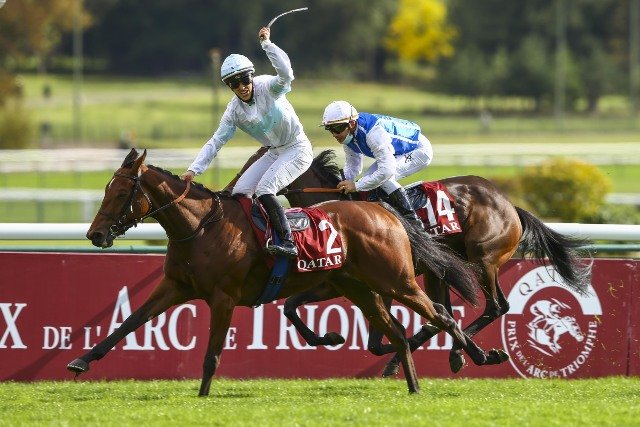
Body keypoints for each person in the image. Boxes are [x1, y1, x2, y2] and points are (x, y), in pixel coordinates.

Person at [181, 27, 313, 258]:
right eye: (234, 83)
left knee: (265, 189)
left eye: (244, 79)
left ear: (251, 76)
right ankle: (257, 237)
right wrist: (194, 170)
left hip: (297, 148)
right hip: (274, 151)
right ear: (229, 87)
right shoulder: (233, 111)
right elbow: (216, 142)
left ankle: (288, 242)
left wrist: (267, 45)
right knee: (241, 192)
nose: (242, 86)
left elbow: (286, 74)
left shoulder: (268, 87)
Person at [321, 100, 433, 229]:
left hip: (418, 150)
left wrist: (356, 185)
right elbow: (353, 167)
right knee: (369, 181)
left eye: (337, 128)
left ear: (351, 124)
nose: (334, 134)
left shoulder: (373, 133)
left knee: (384, 179)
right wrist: (341, 182)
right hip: (396, 152)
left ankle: (414, 223)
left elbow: (387, 171)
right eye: (330, 129)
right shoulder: (348, 136)